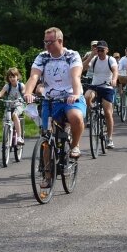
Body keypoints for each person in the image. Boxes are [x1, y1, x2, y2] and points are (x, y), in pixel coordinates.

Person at [23, 27, 86, 158]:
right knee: (47, 136)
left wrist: (75, 94)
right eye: (45, 42)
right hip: (50, 99)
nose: (47, 45)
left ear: (60, 41)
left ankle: (75, 145)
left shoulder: (72, 55)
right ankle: (47, 175)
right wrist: (28, 93)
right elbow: (34, 76)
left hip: (70, 98)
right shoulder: (42, 57)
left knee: (76, 117)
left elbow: (76, 76)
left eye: (50, 42)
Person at [83, 41, 118, 149]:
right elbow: (83, 68)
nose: (100, 52)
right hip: (95, 86)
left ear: (107, 50)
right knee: (87, 96)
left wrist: (114, 79)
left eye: (102, 50)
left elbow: (115, 71)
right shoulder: (94, 59)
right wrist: (91, 56)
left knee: (108, 113)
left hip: (107, 87)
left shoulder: (110, 60)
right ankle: (93, 111)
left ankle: (110, 138)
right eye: (98, 50)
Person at [0, 67, 25, 145]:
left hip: (19, 105)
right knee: (6, 119)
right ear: (8, 78)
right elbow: (0, 93)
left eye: (14, 76)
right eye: (10, 77)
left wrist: (25, 95)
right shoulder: (7, 86)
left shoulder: (21, 85)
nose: (12, 78)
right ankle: (6, 135)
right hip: (9, 105)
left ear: (17, 77)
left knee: (15, 115)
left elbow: (24, 93)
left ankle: (19, 137)